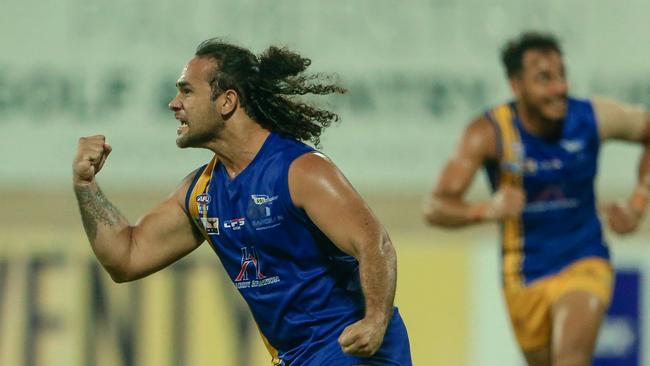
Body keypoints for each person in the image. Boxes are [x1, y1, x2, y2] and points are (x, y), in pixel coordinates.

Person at [73, 38, 411, 366]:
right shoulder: (201, 194)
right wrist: (85, 184)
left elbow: (373, 244)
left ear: (227, 102)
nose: (174, 103)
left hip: (350, 348)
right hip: (295, 357)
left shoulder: (301, 171)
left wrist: (376, 320)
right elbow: (126, 258)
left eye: (187, 90)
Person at [423, 32, 650, 366]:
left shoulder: (590, 118)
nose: (559, 88)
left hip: (585, 258)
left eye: (561, 76)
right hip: (523, 275)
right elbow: (435, 207)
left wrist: (638, 203)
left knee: (570, 359)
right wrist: (487, 209)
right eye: (544, 79)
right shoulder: (489, 133)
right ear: (516, 86)